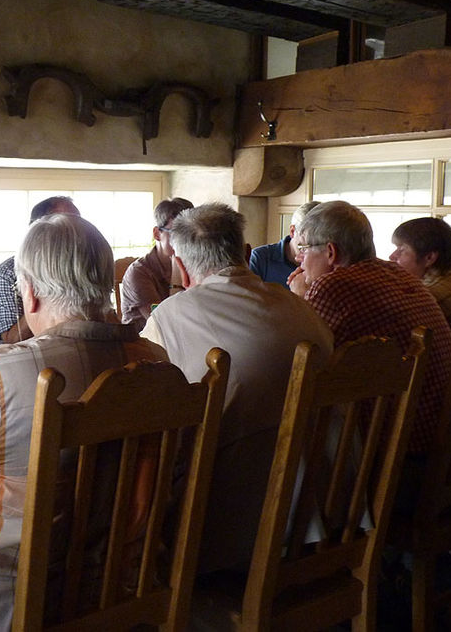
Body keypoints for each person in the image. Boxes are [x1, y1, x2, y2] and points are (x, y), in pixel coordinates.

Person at [0, 213, 166, 631]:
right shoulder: (155, 364)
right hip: (114, 578)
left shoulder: (5, 375)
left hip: (13, 592)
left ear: (31, 293)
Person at [140, 203, 333, 574]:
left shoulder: (168, 317)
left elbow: (147, 401)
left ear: (181, 267)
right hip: (326, 503)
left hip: (235, 528)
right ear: (246, 254)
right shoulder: (298, 305)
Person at [288, 200, 451, 455]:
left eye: (304, 248)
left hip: (394, 448)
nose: (299, 257)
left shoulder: (332, 286)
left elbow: (298, 361)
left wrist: (300, 299)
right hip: (440, 433)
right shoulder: (398, 273)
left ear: (331, 253)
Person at [0, 195, 80, 342]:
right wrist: (45, 292)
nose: (77, 231)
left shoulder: (82, 267)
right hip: (28, 359)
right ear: (38, 230)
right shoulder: (7, 274)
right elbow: (11, 341)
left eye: (79, 223)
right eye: (67, 223)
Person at [119, 197, 193, 330]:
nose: (185, 242)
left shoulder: (195, 264)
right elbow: (166, 325)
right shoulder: (138, 273)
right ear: (157, 234)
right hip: (145, 346)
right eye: (177, 234)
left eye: (190, 235)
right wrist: (177, 275)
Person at [248, 201, 320, 288]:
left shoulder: (326, 260)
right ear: (292, 231)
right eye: (308, 239)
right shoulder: (260, 258)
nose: (315, 246)